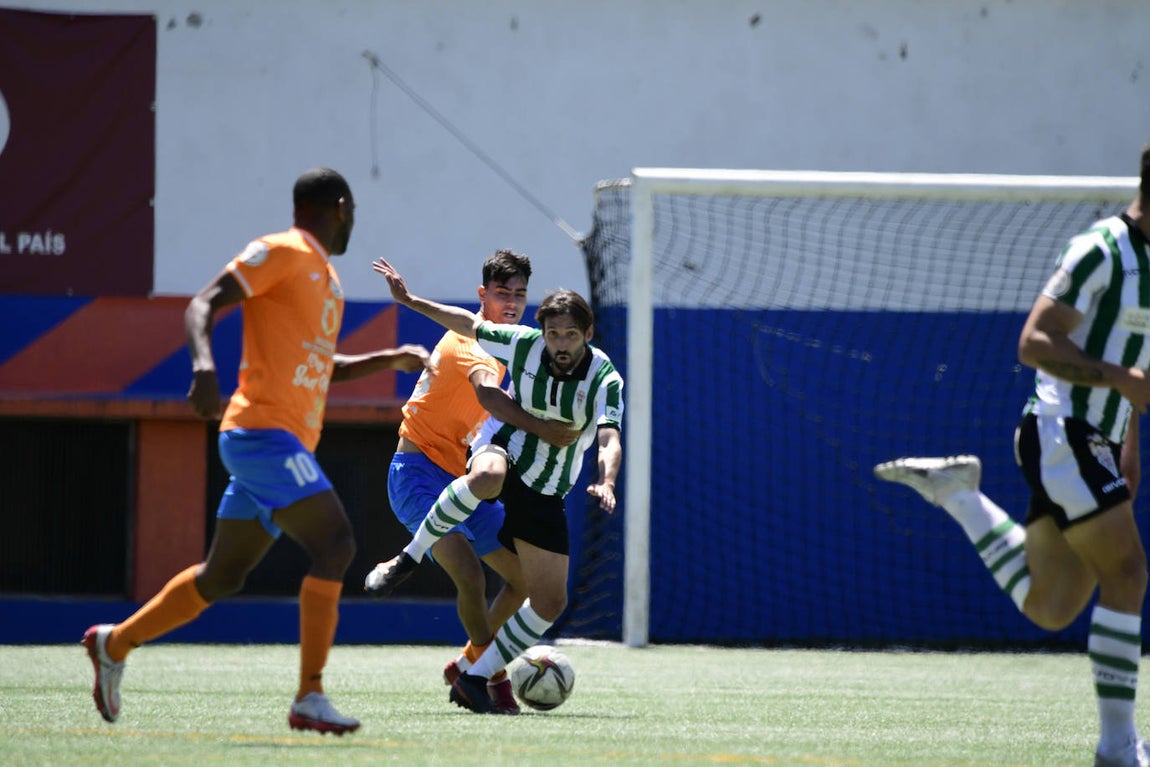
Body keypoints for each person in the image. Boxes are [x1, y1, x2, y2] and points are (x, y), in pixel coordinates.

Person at [82, 167, 431, 735]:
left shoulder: (325, 278)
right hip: (261, 435)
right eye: (355, 214)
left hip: (279, 443)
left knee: (222, 577)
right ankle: (310, 696)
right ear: (341, 206)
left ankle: (113, 643)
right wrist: (202, 365)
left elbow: (320, 367)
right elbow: (203, 304)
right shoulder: (283, 250)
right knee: (337, 543)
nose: (354, 225)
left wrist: (387, 359)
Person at [875, 144, 1150, 767]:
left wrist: (1129, 441)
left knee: (1050, 606)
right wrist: (1121, 383)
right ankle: (1117, 748)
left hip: (1095, 443)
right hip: (1061, 431)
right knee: (1128, 572)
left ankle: (961, 496)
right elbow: (1033, 342)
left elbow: (1138, 367)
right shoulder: (1100, 249)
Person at [370, 256, 623, 714]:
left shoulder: (530, 349)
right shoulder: (478, 345)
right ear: (483, 294)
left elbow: (607, 431)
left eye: (519, 295)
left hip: (464, 475)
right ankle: (492, 678)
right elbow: (487, 394)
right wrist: (542, 428)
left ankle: (471, 662)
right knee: (468, 572)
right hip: (419, 472)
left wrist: (603, 475)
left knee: (526, 583)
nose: (511, 303)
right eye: (502, 294)